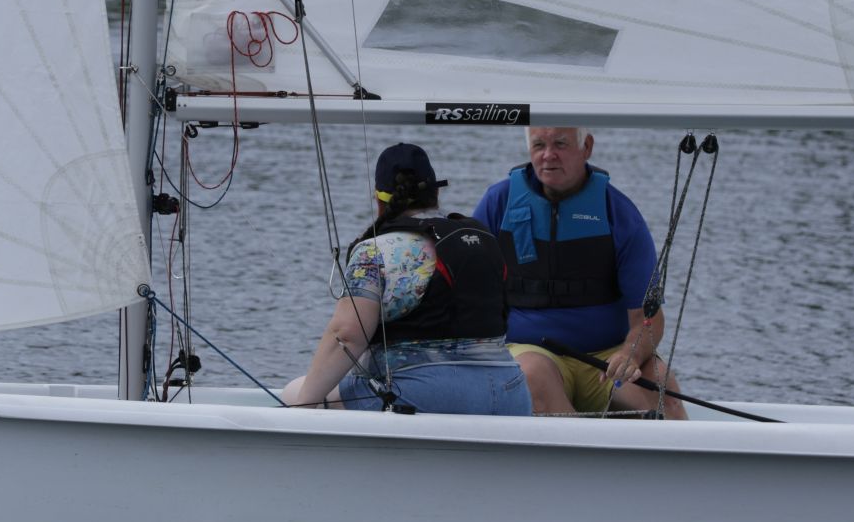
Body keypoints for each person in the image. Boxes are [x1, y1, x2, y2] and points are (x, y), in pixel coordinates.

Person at [282, 143, 531, 416]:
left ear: (379, 200)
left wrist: (302, 407)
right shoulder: (482, 239)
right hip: (510, 390)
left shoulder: (375, 251)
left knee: (295, 391)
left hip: (429, 395)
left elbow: (347, 336)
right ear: (436, 193)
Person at [472, 127, 687, 419]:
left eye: (560, 143)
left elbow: (648, 319)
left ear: (586, 147)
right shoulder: (498, 203)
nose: (549, 155)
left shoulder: (619, 214)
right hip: (530, 351)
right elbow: (466, 291)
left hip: (608, 359)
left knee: (663, 390)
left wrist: (630, 355)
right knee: (532, 378)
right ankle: (588, 459)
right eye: (539, 145)